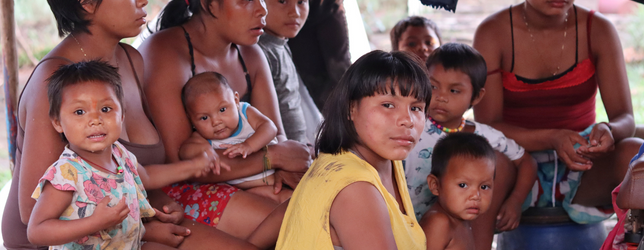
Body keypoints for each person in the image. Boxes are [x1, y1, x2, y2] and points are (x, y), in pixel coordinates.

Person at [2, 0, 275, 249]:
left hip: (129, 229)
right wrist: (142, 226)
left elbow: (128, 171)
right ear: (87, 1)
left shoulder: (131, 60)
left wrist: (157, 205)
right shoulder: (55, 81)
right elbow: (33, 214)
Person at [139, 0, 312, 239]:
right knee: (299, 226)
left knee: (321, 206)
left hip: (246, 178)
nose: (262, 10)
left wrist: (280, 164)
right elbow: (184, 166)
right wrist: (273, 159)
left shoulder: (250, 55)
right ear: (209, 2)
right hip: (180, 192)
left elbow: (277, 136)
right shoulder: (165, 54)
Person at [473, 0, 642, 233]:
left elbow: (625, 117)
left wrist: (608, 130)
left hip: (583, 165)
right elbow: (488, 126)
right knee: (485, 163)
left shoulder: (598, 30)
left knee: (636, 152)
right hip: (515, 164)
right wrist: (552, 137)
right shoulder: (493, 33)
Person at [27, 61, 215, 249]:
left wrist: (194, 166)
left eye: (106, 109)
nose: (95, 120)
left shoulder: (119, 153)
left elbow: (147, 176)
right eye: (79, 111)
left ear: (122, 114)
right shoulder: (66, 174)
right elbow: (37, 231)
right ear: (58, 122)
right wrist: (94, 223)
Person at [276, 50, 429, 250]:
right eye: (388, 105)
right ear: (351, 109)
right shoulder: (355, 187)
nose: (407, 120)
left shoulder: (386, 160)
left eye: (416, 108)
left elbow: (291, 210)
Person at [404, 43, 537, 249]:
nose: (441, 96)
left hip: (456, 220)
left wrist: (515, 202)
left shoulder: (483, 135)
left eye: (454, 90)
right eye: (433, 86)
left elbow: (526, 161)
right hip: (406, 224)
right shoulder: (411, 126)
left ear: (476, 96)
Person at [180, 72, 292, 203]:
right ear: (192, 120)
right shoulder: (202, 137)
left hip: (280, 172)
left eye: (222, 110)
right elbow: (184, 152)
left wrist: (249, 145)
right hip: (250, 189)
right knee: (287, 200)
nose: (216, 122)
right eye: (204, 118)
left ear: (236, 100)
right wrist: (204, 151)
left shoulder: (245, 113)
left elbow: (270, 128)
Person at [257, 0, 314, 144]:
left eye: (302, 1)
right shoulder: (261, 51)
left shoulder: (280, 44)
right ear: (260, 0)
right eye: (283, 1)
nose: (295, 12)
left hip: (296, 150)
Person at [421, 132, 496, 250]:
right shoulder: (439, 223)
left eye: (484, 187)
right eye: (463, 185)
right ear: (435, 185)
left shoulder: (463, 221)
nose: (476, 196)